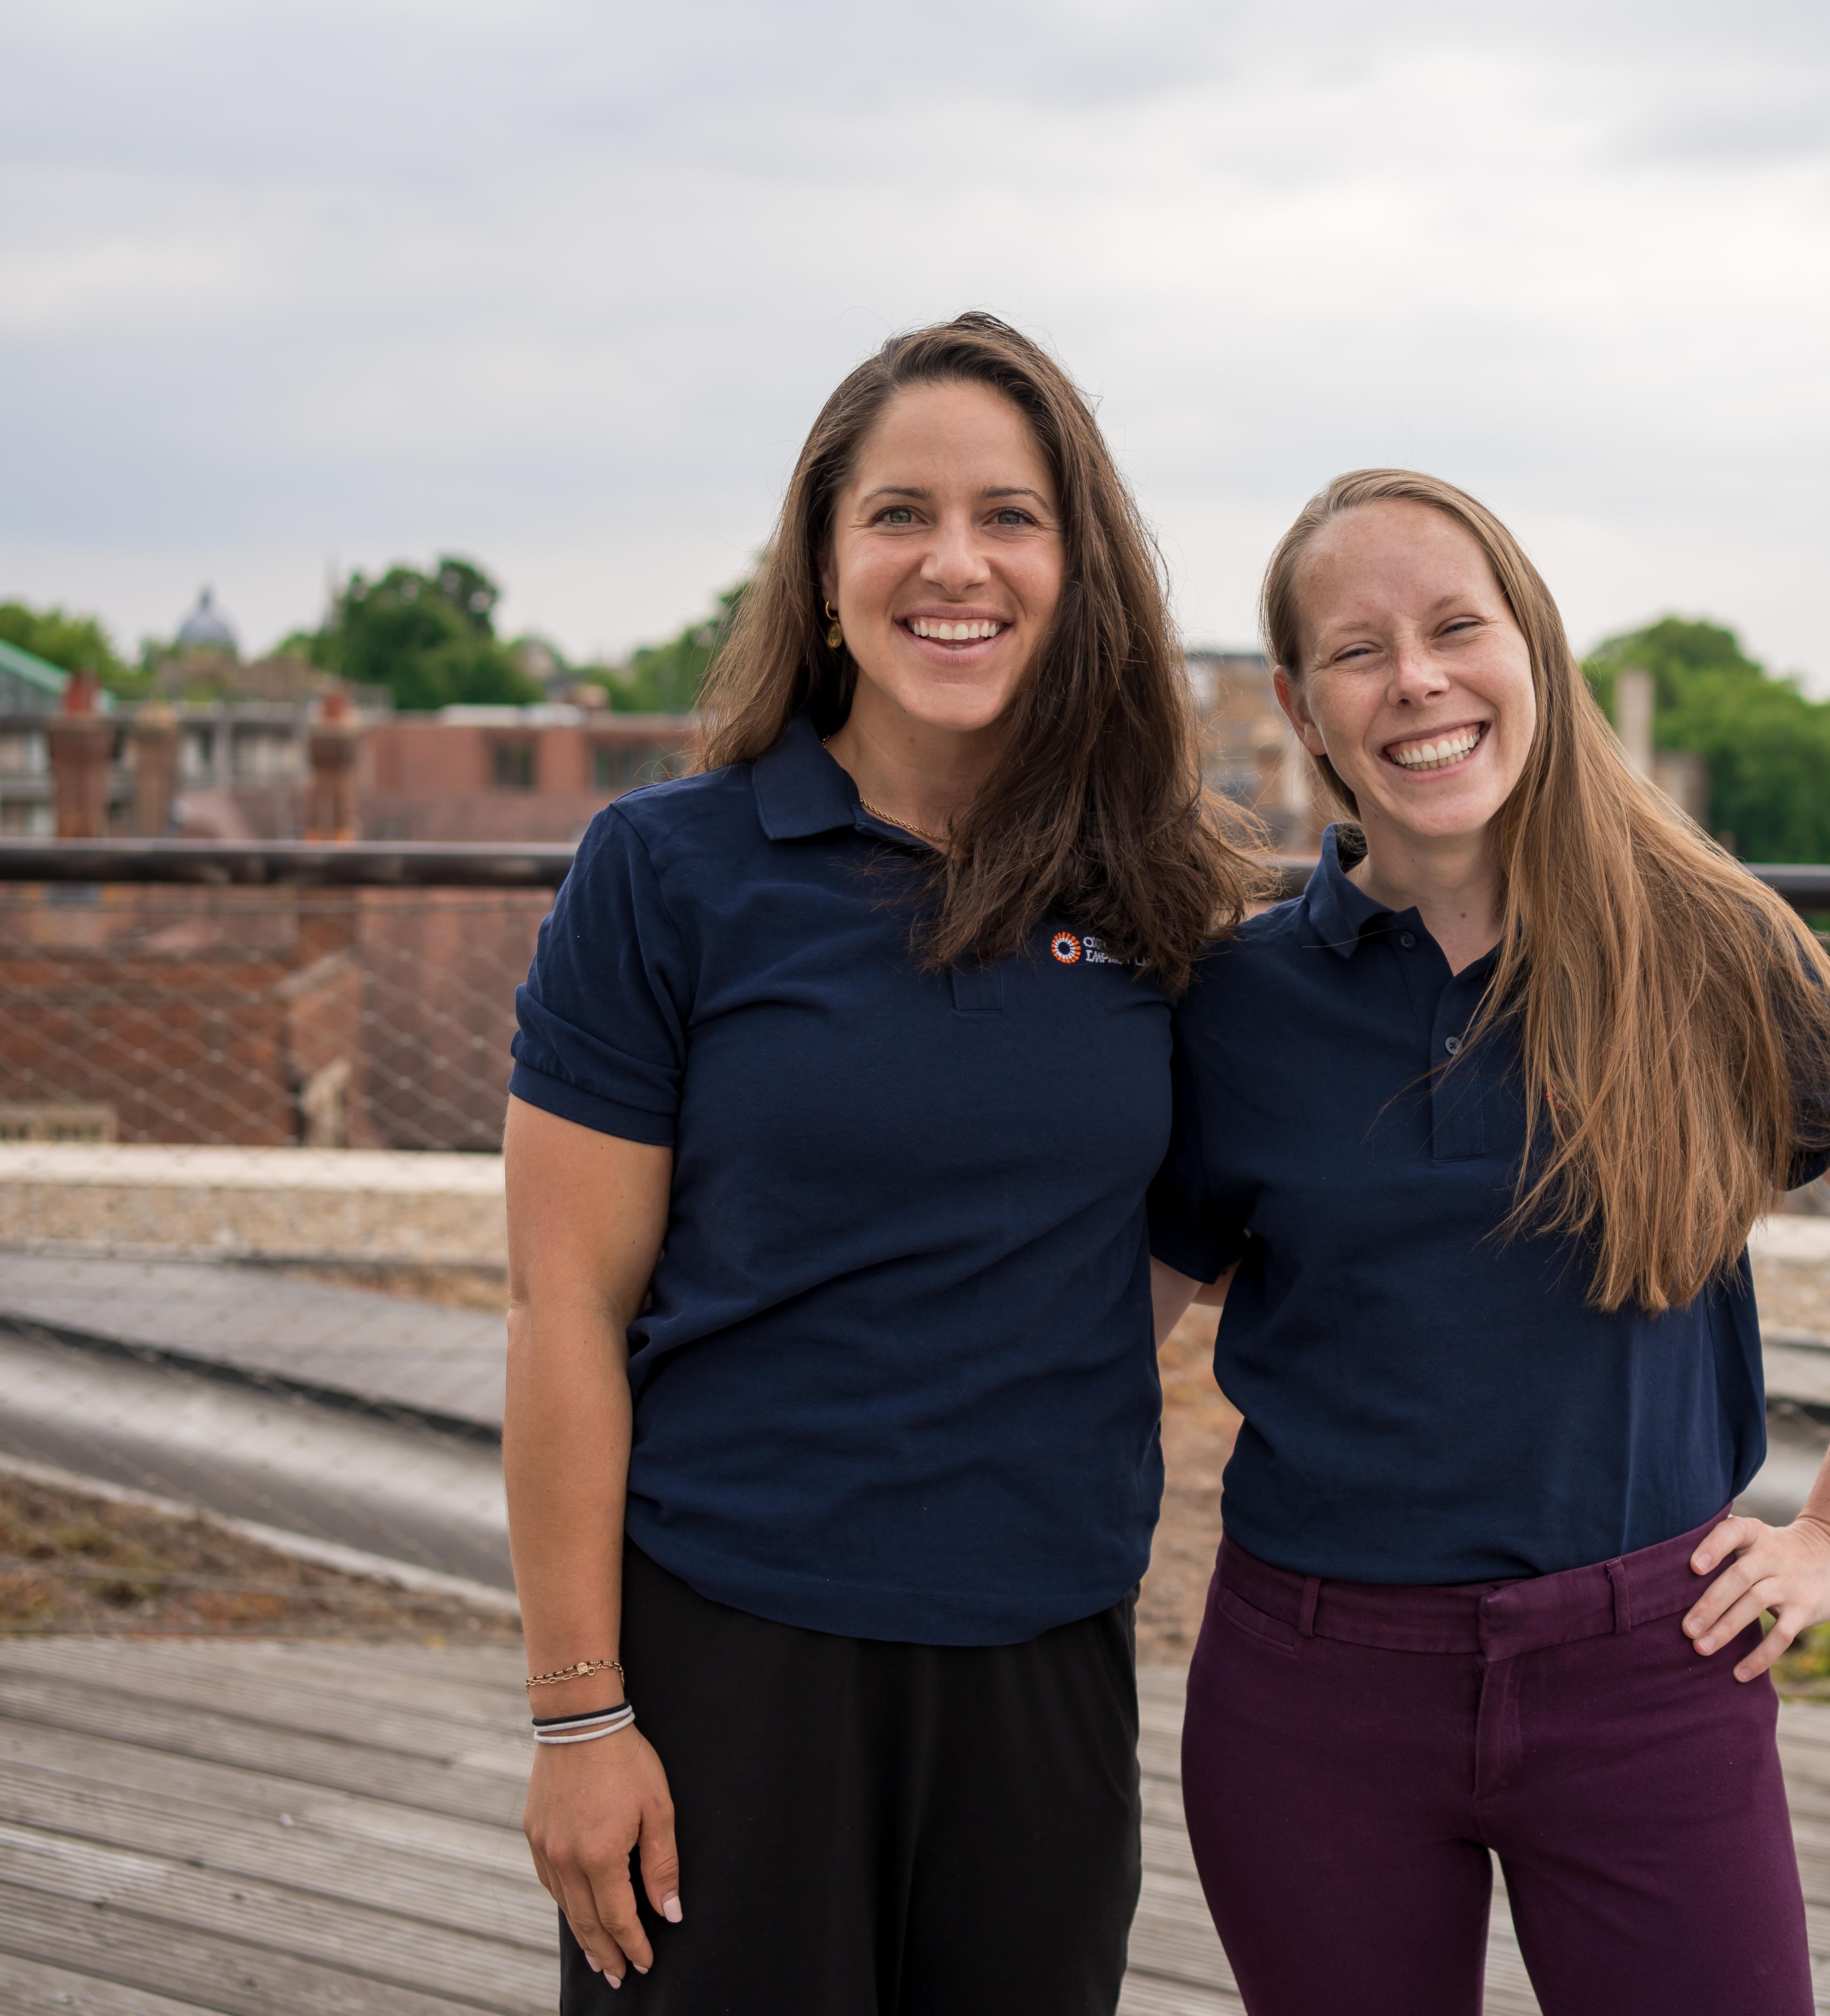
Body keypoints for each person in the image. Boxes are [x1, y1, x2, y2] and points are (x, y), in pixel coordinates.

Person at [1145, 470, 1830, 2015]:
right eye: (1359, 650)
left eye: (1458, 627)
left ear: (1532, 647)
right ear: (1299, 705)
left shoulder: (1713, 944)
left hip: (1651, 1672)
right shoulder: (1237, 1003)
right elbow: (1121, 1320)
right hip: (1314, 1691)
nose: (1418, 680)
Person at [503, 312, 1258, 2012]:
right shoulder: (667, 872)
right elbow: (564, 1305)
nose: (955, 562)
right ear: (824, 561)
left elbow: (1178, 1235)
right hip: (727, 1655)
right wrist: (577, 1714)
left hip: (1044, 1662)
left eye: (1010, 514)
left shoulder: (1158, 894)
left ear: (1079, 567)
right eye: (900, 513)